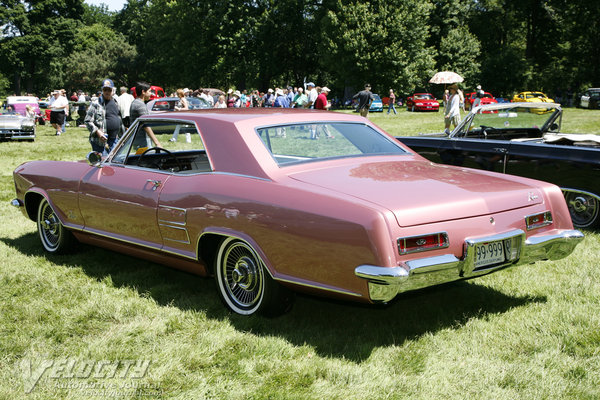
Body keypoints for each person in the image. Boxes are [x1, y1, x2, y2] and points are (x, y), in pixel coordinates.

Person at [85, 79, 125, 155]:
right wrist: (97, 131)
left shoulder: (116, 102)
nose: (107, 92)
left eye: (109, 90)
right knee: (103, 163)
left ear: (113, 91)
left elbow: (119, 119)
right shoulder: (96, 103)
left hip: (115, 140)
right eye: (105, 90)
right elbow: (87, 121)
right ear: (102, 90)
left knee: (115, 163)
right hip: (100, 142)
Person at [130, 81, 162, 148]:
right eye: (149, 91)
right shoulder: (140, 105)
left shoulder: (136, 102)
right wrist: (157, 143)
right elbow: (146, 126)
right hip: (142, 141)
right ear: (143, 92)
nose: (151, 94)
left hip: (139, 140)